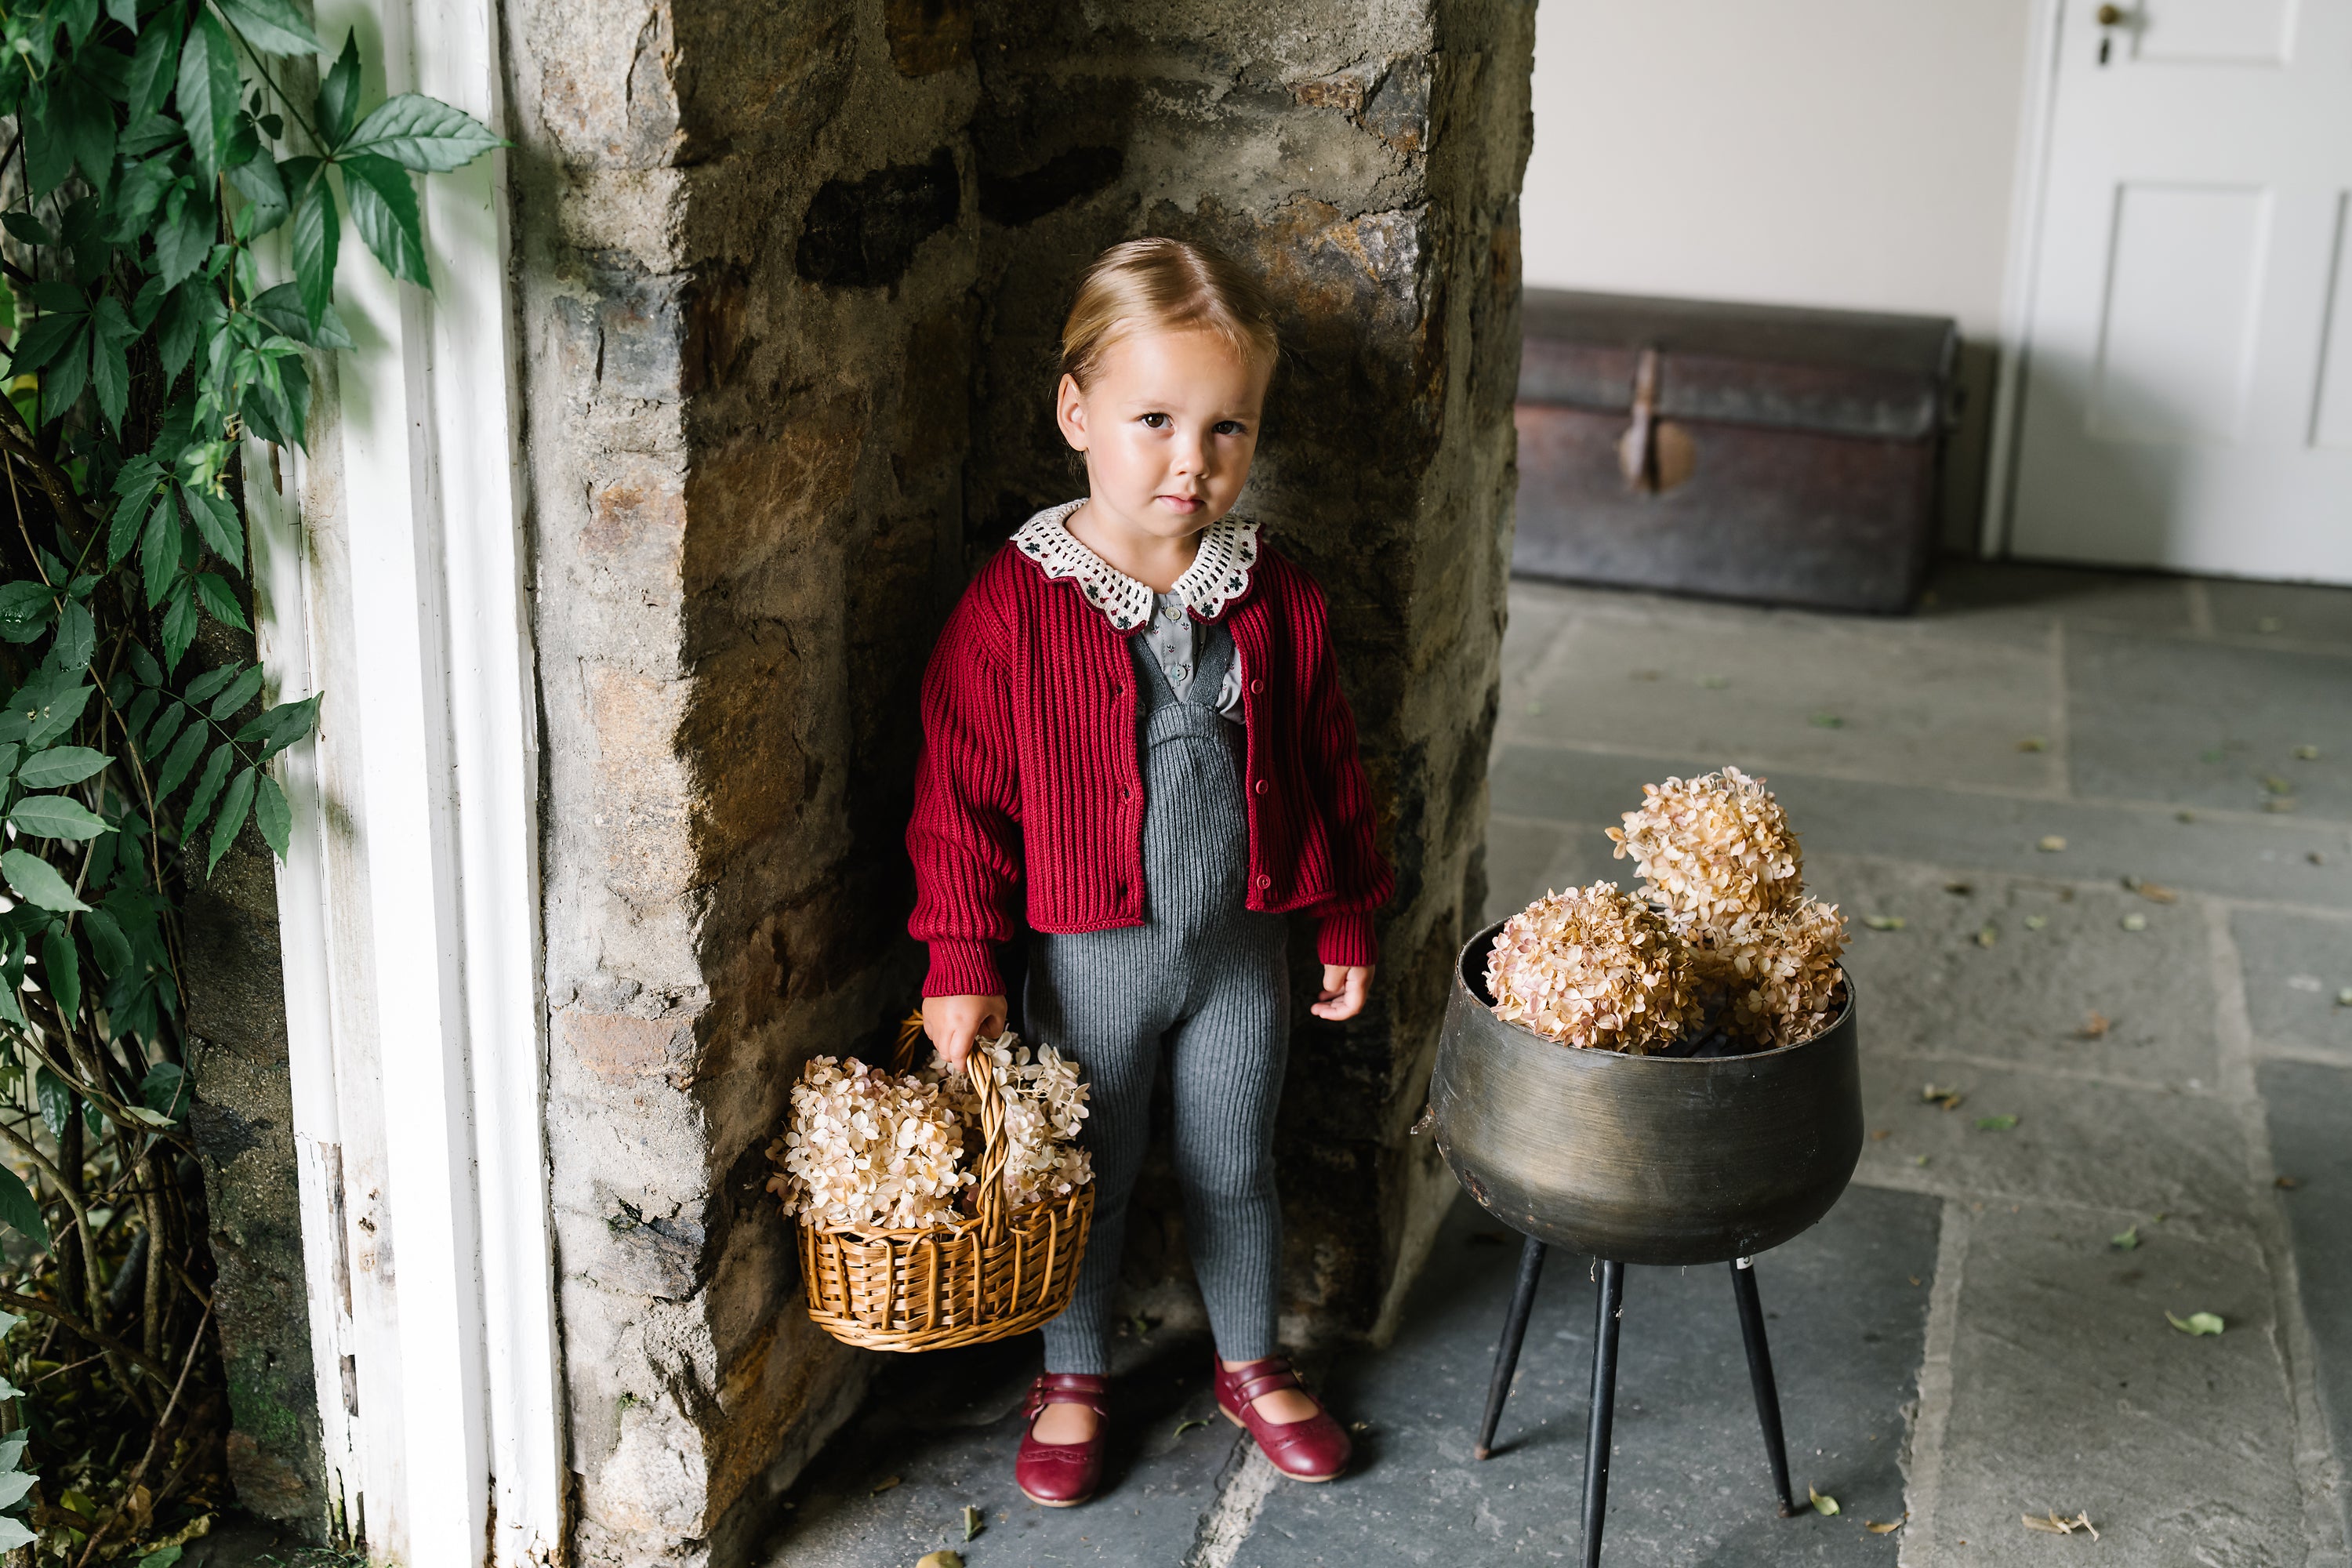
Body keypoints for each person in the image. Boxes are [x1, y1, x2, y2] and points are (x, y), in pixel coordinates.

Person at [907, 236, 1394, 1508]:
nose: (1195, 460)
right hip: (1092, 962)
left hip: (1242, 954)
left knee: (1238, 1160)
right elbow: (957, 800)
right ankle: (1073, 1374)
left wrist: (1344, 914)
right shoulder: (1017, 603)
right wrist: (960, 962)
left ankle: (1250, 1357)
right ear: (1077, 413)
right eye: (1157, 420)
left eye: (1228, 428)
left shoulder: (1273, 591)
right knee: (1095, 1171)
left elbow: (1330, 763)